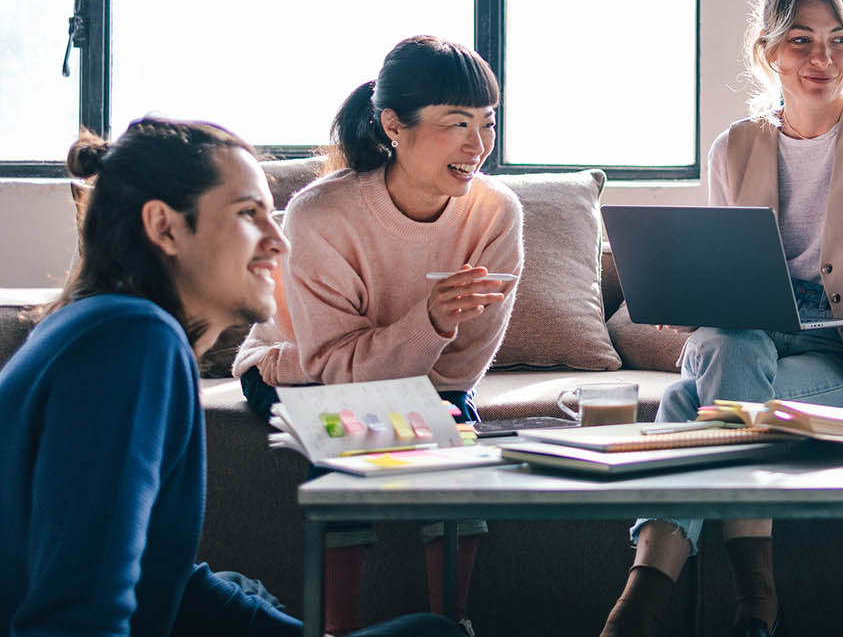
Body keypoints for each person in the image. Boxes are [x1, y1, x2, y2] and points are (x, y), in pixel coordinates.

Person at [0, 117, 460, 637]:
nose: (279, 244)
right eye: (249, 215)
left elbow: (160, 576)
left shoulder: (100, 325)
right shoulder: (131, 340)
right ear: (164, 227)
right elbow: (77, 615)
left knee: (250, 592)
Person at [599, 0, 843, 637]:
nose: (823, 58)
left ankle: (642, 607)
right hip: (750, 336)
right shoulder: (734, 147)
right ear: (768, 52)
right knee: (733, 344)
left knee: (684, 401)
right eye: (802, 41)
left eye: (839, 40)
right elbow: (725, 279)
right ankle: (754, 602)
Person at [234, 35, 523, 635]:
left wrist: (432, 352)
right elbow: (336, 367)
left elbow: (460, 368)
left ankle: (454, 625)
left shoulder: (497, 213)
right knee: (348, 435)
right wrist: (431, 321)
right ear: (394, 124)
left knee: (454, 451)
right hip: (300, 370)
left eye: (487, 123)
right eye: (457, 124)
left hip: (408, 378)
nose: (479, 146)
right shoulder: (322, 213)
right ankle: (339, 631)